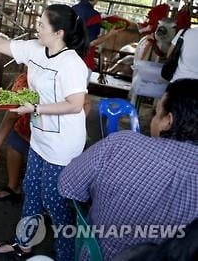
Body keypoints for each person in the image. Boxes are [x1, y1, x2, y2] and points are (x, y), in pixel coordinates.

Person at [0, 4, 89, 261]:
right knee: (31, 191)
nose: (36, 28)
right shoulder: (36, 49)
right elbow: (0, 44)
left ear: (59, 33)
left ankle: (66, 255)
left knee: (54, 202)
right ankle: (23, 244)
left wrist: (35, 107)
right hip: (41, 136)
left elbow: (75, 105)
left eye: (41, 25)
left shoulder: (72, 64)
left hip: (63, 144)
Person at [58, 79, 198, 261]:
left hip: (98, 255)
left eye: (156, 113)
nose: (153, 118)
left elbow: (68, 184)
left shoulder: (121, 144)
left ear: (168, 122)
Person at [72, 0, 121, 114]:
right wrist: (110, 34)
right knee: (79, 96)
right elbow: (91, 42)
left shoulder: (71, 10)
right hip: (83, 60)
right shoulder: (94, 16)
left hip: (66, 56)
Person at [0, 73, 30, 200]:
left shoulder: (63, 76)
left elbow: (82, 103)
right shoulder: (23, 80)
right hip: (24, 127)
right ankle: (13, 187)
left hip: (50, 135)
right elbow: (12, 114)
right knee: (15, 143)